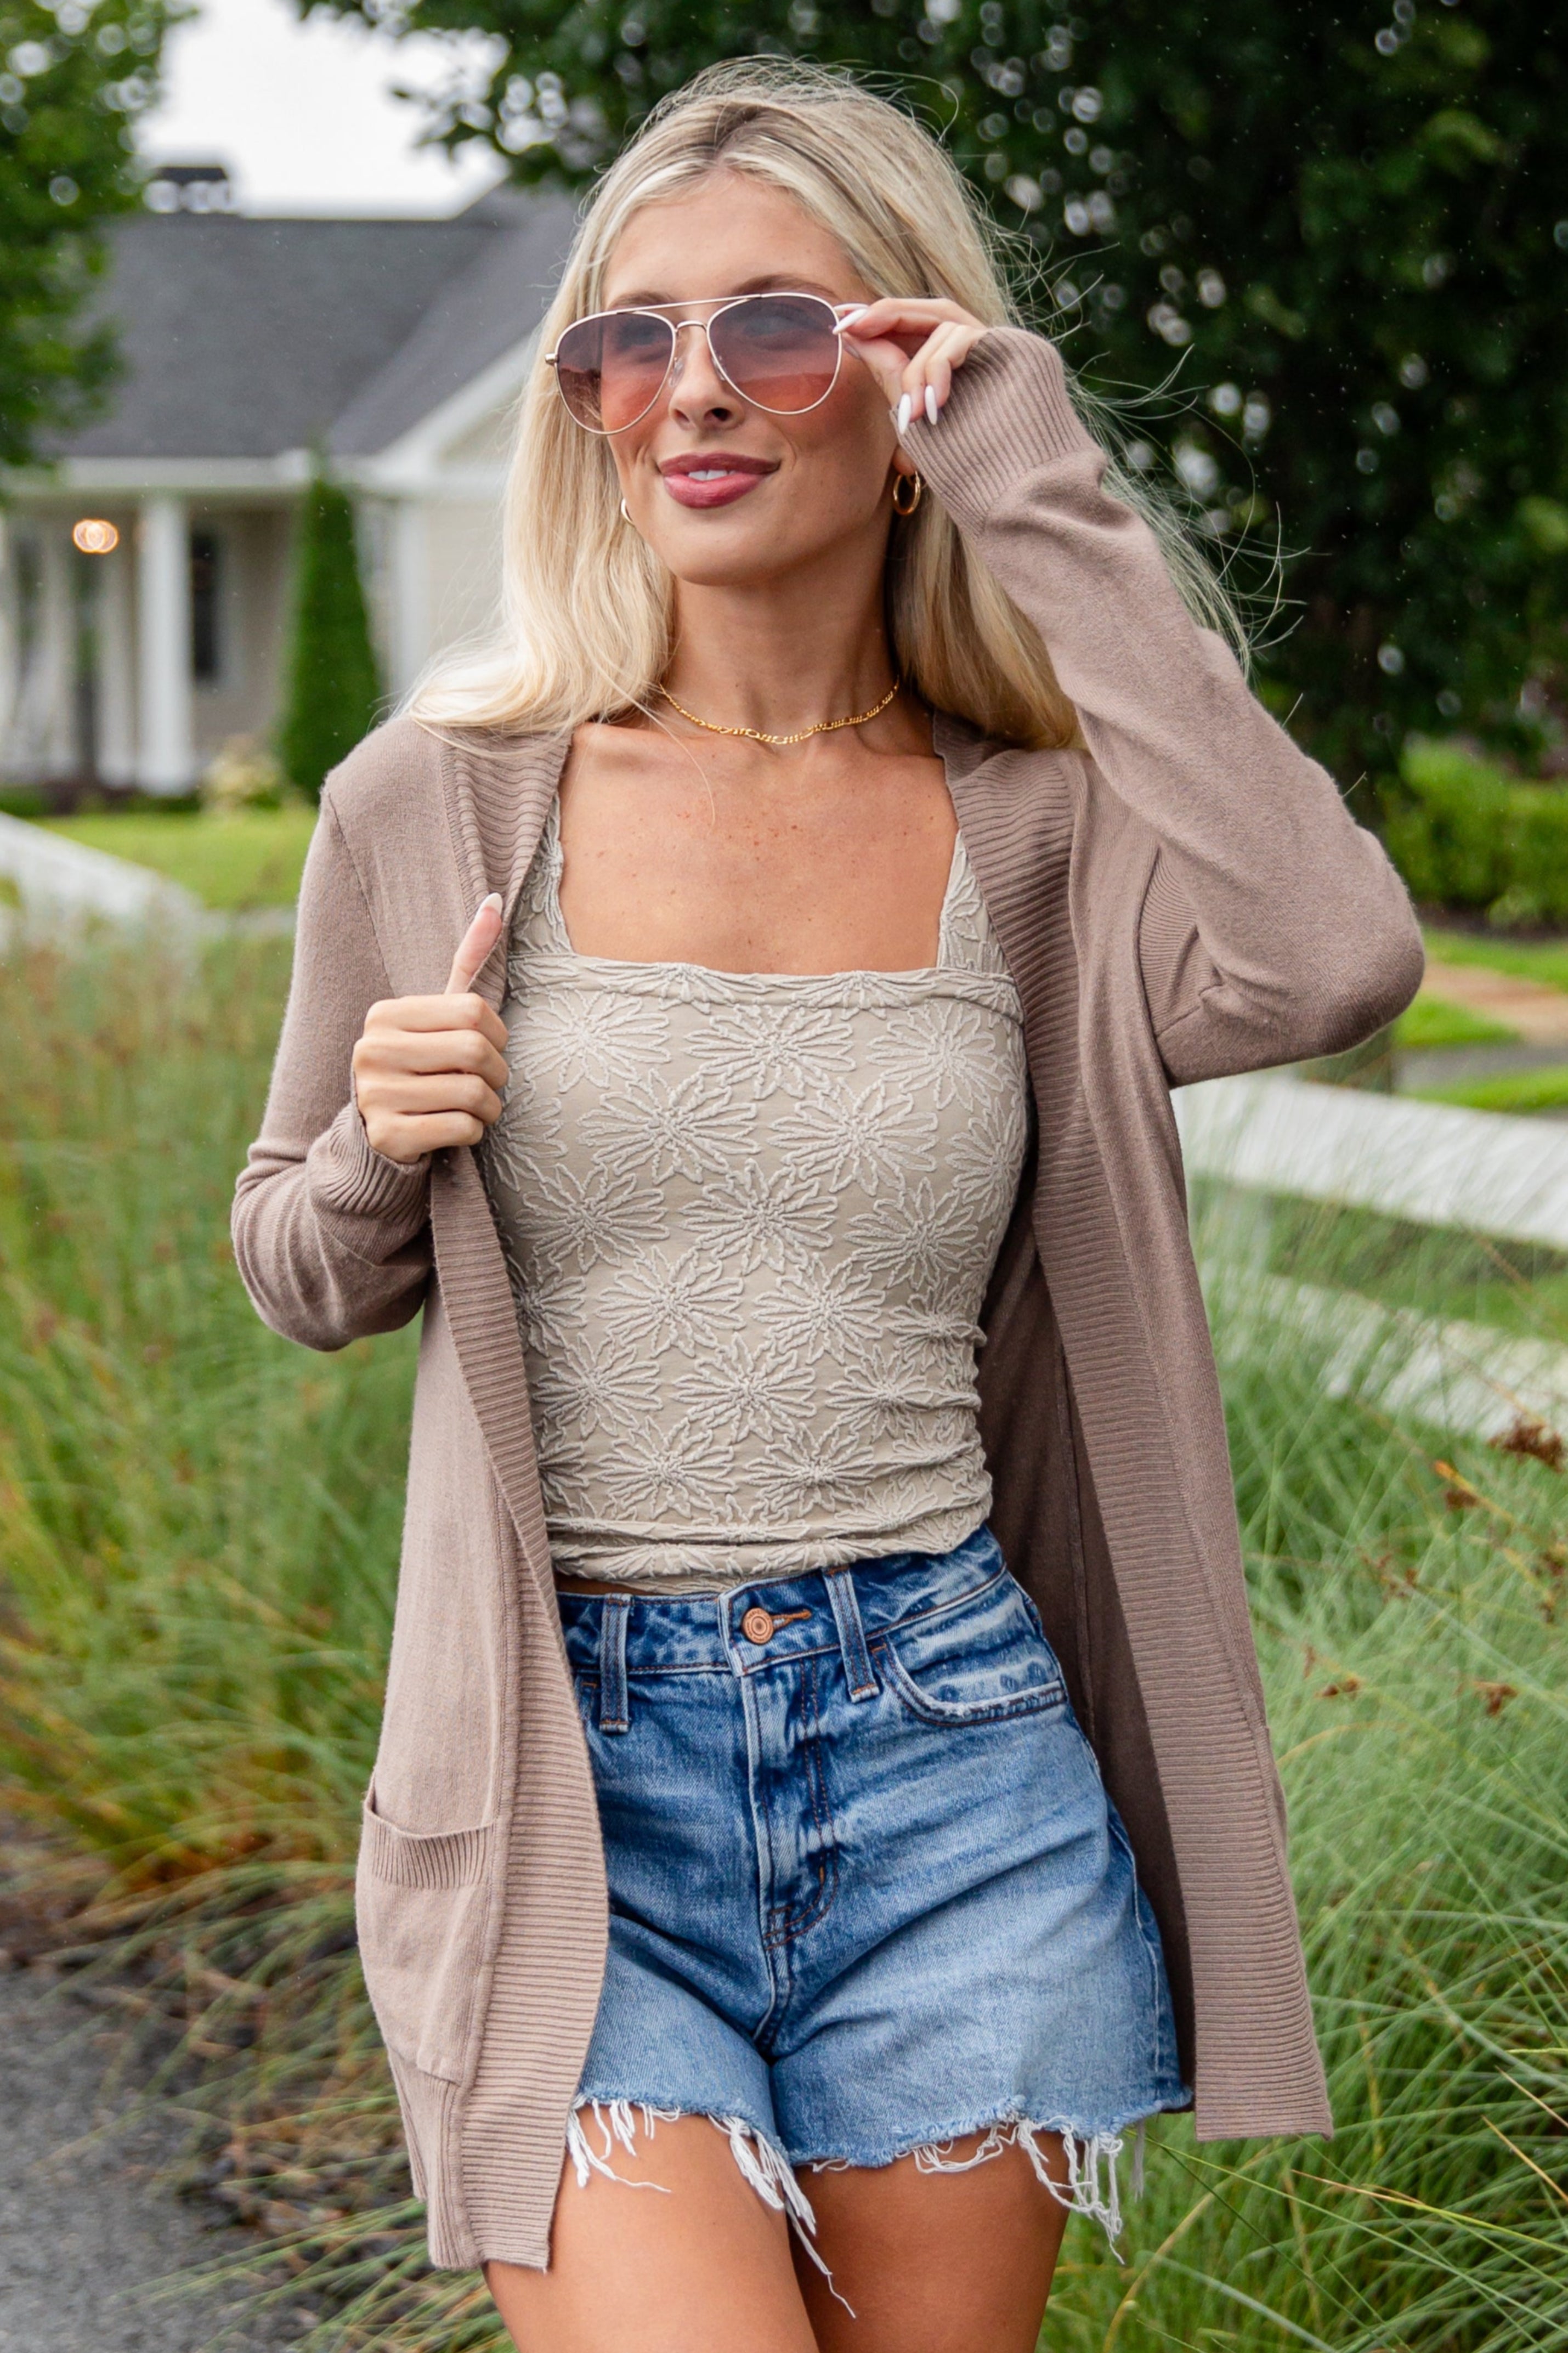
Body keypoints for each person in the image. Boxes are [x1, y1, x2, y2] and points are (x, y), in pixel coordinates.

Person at [233, 59, 1423, 2353]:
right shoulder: (437, 803)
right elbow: (298, 1263)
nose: (688, 393)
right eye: (626, 342)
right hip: (567, 1772)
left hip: (952, 1749)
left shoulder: (1042, 841)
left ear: (907, 379)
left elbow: (1333, 954)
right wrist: (382, 1138)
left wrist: (1044, 492)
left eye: (774, 330)